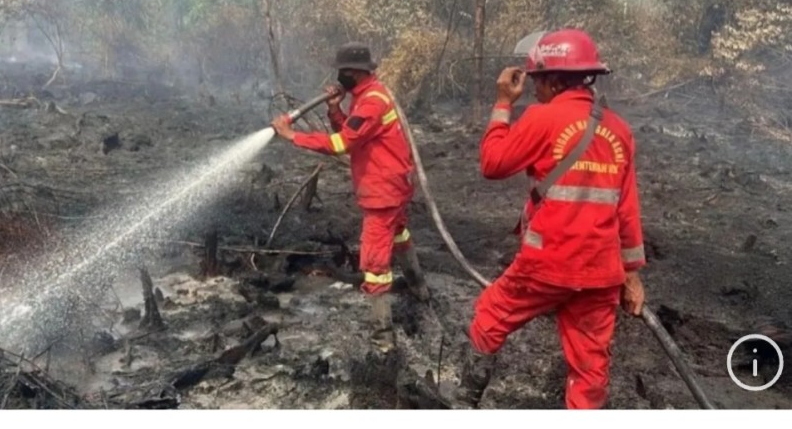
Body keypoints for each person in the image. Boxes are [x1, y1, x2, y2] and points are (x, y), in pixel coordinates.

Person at [456, 27, 647, 409]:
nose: (535, 89)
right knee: (590, 369)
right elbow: (627, 209)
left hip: (547, 264)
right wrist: (631, 274)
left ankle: (463, 402)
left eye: (538, 81)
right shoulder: (620, 130)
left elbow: (493, 164)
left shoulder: (541, 118)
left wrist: (502, 104)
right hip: (601, 272)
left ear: (554, 80)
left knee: (489, 316)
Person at [271, 42, 430, 353]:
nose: (338, 77)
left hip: (383, 191)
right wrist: (334, 109)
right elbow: (354, 135)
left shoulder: (372, 102)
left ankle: (383, 341)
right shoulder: (366, 96)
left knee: (374, 266)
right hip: (392, 184)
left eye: (342, 71)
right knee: (399, 233)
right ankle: (419, 288)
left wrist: (292, 136)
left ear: (356, 72)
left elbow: (342, 144)